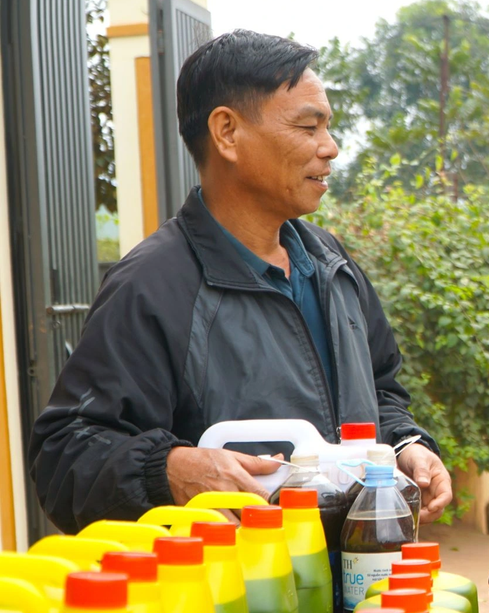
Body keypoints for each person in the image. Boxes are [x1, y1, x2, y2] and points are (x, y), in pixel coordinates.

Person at [30, 30, 451, 533]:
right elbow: (64, 455)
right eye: (307, 127)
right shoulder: (154, 286)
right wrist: (170, 470)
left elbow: (382, 390)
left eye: (328, 127)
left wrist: (406, 446)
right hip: (234, 598)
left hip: (358, 586)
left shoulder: (331, 262)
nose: (330, 148)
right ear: (227, 132)